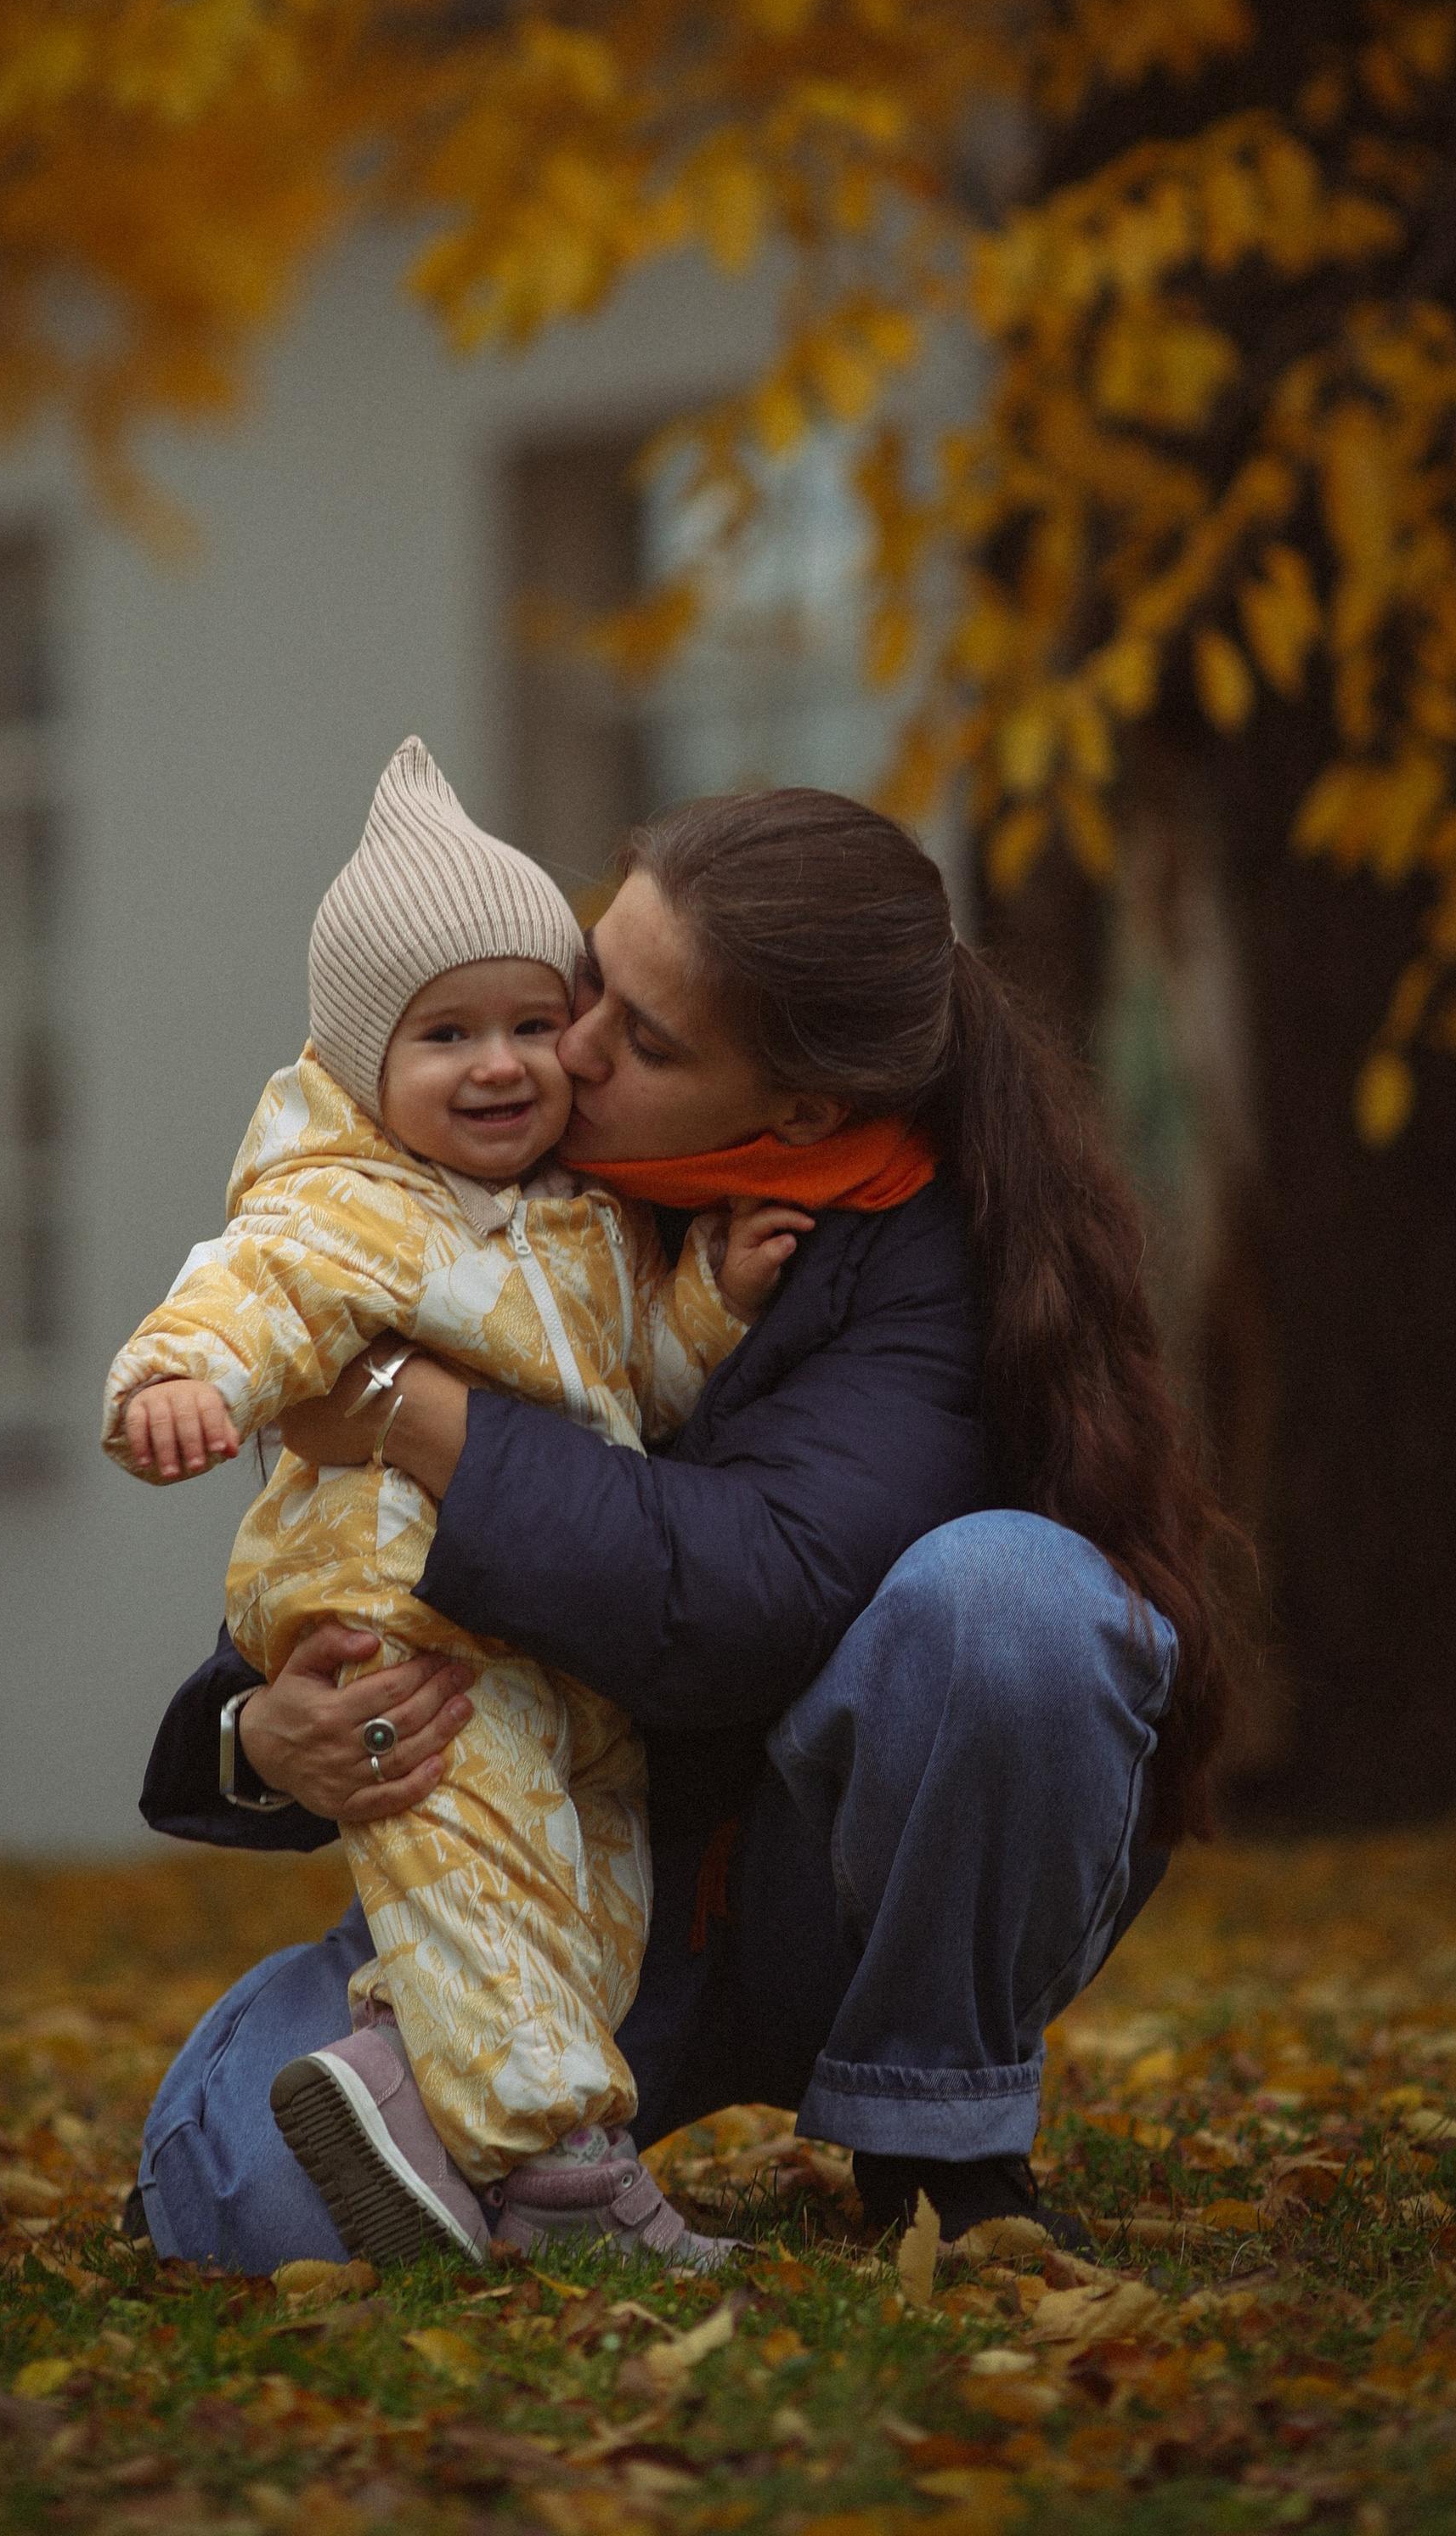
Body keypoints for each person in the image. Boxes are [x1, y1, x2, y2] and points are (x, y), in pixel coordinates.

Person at [130, 785, 1239, 2273]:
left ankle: (938, 2144)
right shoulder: (485, 1173)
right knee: (261, 2204)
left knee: (1016, 1603)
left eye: (642, 1039)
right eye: (593, 978)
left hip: (824, 1900)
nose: (563, 1046)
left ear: (801, 1114)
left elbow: (743, 1593)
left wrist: (423, 1414)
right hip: (554, 1892)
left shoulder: (927, 1256)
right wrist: (260, 1735)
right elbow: (338, 1547)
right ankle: (449, 2120)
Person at [104, 738, 804, 2265]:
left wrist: (716, 1308)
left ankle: (402, 2092)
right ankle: (558, 2171)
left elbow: (633, 1380)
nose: (501, 1063)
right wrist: (183, 1381)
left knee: (585, 1899)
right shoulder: (344, 1206)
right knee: (473, 1869)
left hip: (571, 1665)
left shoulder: (582, 1223)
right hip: (415, 1623)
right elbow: (248, 1297)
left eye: (533, 1024)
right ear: (369, 1067)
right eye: (447, 1034)